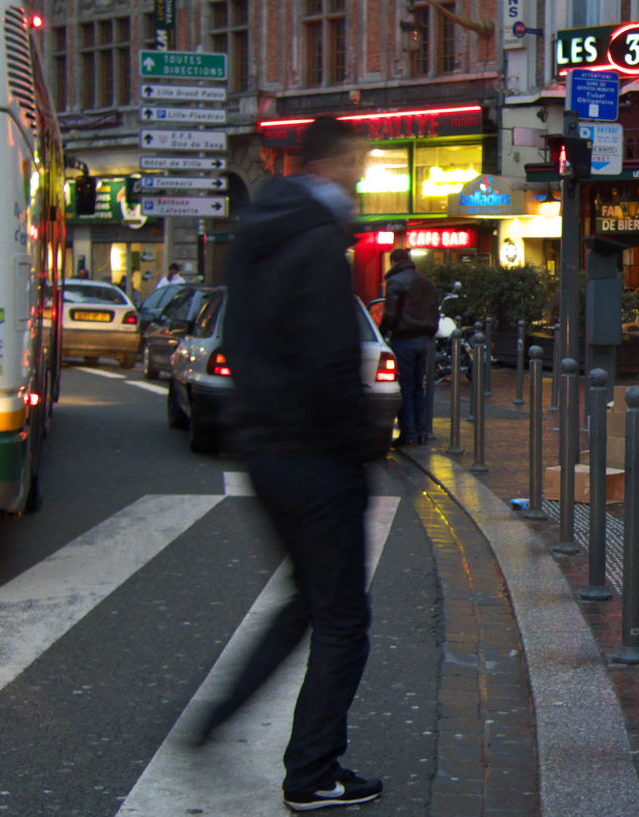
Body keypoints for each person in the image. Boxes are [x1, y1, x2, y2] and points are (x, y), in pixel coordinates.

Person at [204, 116, 383, 812]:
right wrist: (362, 442)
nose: (361, 178)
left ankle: (219, 715)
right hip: (316, 456)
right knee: (343, 618)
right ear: (333, 164)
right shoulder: (314, 240)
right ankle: (313, 771)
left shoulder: (261, 229)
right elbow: (329, 359)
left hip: (268, 447)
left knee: (307, 600)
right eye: (358, 164)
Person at [380, 249, 442, 446]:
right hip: (425, 339)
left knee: (405, 388)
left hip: (404, 339)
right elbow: (435, 311)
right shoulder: (426, 283)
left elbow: (390, 313)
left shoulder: (396, 281)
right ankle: (422, 431)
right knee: (418, 387)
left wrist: (382, 333)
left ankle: (408, 433)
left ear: (394, 262)